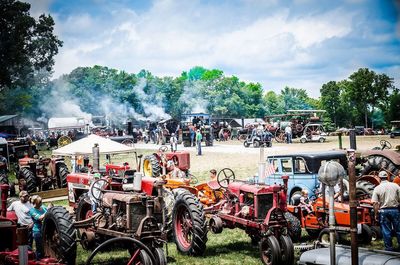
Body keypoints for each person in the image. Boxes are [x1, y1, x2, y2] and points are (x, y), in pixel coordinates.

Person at [371, 177, 400, 251]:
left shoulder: (377, 188)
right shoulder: (395, 185)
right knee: (399, 229)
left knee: (386, 230)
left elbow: (375, 203)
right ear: (387, 177)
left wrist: (376, 214)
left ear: (380, 179)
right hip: (395, 210)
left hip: (384, 211)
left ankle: (389, 248)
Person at [29, 195, 47, 260]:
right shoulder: (32, 211)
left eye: (41, 201)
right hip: (37, 231)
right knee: (39, 247)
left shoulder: (43, 207)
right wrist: (48, 212)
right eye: (39, 202)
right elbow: (39, 218)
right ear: (35, 203)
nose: (41, 203)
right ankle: (38, 260)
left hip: (45, 229)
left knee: (46, 245)